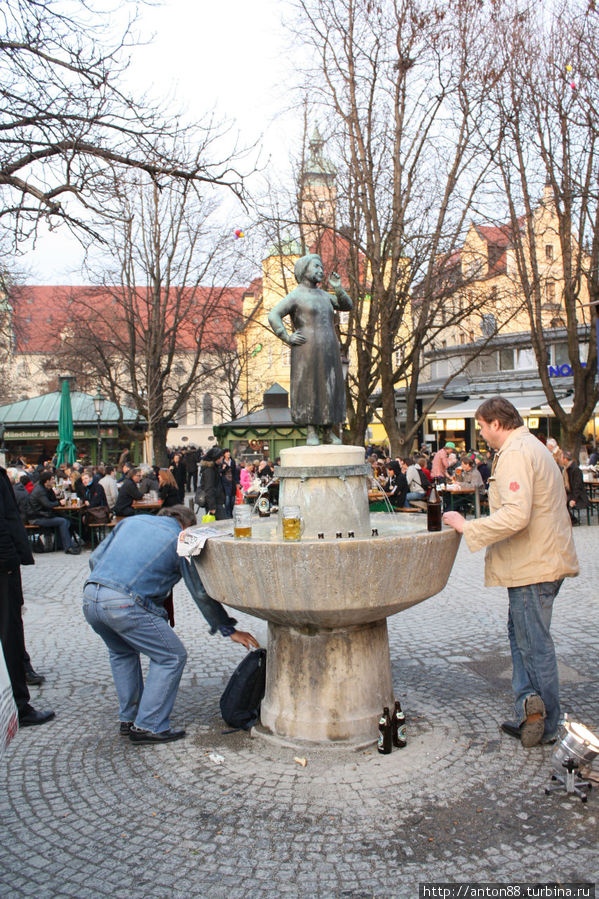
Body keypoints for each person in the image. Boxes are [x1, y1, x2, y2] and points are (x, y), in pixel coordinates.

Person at [443, 397, 579, 748]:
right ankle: (529, 711)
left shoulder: (517, 452)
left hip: (533, 565)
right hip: (536, 562)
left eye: (483, 427)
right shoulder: (528, 445)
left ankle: (547, 721)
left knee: (533, 644)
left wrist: (467, 527)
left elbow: (517, 515)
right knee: (523, 637)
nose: (483, 434)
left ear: (496, 424)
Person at [82, 505, 259, 744]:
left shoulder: (130, 522)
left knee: (122, 653)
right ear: (187, 525)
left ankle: (129, 719)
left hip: (91, 596)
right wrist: (229, 629)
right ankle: (149, 726)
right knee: (172, 656)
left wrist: (106, 590)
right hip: (125, 604)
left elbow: (95, 558)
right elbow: (200, 592)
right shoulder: (181, 539)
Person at [268, 253, 352, 446]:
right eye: (316, 267)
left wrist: (338, 289)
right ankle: (311, 430)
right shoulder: (296, 295)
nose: (320, 271)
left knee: (330, 387)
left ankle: (328, 430)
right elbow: (274, 315)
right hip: (306, 348)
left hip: (329, 346)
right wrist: (286, 336)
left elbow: (348, 305)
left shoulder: (325, 296)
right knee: (309, 387)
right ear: (303, 270)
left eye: (321, 267)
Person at [0, 466, 55, 727]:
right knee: (9, 633)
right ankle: (19, 706)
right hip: (3, 568)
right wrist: (11, 560)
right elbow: (4, 522)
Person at [28, 470, 80, 554]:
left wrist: (56, 496)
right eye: (52, 479)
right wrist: (59, 502)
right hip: (37, 517)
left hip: (45, 515)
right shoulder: (40, 491)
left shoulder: (46, 488)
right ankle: (68, 547)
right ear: (46, 481)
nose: (54, 481)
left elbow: (53, 500)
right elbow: (48, 504)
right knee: (63, 521)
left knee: (67, 520)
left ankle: (60, 544)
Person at [560, 450, 589, 524]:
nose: (560, 460)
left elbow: (578, 487)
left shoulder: (575, 469)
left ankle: (572, 520)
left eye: (561, 458)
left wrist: (574, 499)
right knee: (558, 500)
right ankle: (568, 519)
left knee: (562, 502)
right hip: (570, 493)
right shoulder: (566, 469)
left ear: (565, 459)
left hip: (578, 496)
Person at [199, 447, 226, 520]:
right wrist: (212, 507)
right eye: (221, 457)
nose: (222, 458)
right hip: (214, 503)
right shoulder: (209, 470)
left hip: (216, 501)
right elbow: (209, 488)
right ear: (216, 458)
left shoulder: (214, 468)